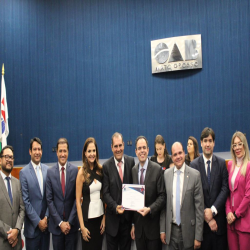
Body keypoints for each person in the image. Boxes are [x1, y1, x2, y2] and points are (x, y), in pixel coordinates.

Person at [190, 127, 229, 250]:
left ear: (214, 143)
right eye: (205, 141)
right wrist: (207, 218)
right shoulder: (194, 165)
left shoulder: (222, 164)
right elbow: (194, 195)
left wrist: (212, 211)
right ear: (201, 143)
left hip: (219, 226)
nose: (208, 144)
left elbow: (225, 188)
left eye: (210, 141)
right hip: (202, 229)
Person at [160, 142, 204, 250]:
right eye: (175, 154)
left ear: (184, 153)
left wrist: (198, 236)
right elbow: (164, 205)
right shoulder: (166, 175)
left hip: (189, 232)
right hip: (171, 231)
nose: (178, 157)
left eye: (180, 153)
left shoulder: (195, 175)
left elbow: (199, 208)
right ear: (171, 157)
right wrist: (162, 230)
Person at [131, 136, 165, 250]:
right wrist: (133, 225)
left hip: (153, 230)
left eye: (144, 148)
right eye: (139, 148)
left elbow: (162, 197)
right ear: (135, 151)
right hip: (139, 231)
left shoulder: (157, 169)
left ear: (148, 150)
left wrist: (150, 209)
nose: (142, 151)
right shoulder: (133, 170)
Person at [103, 132, 135, 250]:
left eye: (120, 145)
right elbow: (105, 193)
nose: (118, 149)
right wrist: (115, 206)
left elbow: (134, 189)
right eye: (115, 146)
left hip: (127, 223)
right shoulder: (106, 167)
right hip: (112, 224)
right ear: (111, 147)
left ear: (123, 145)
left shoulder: (131, 162)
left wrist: (133, 223)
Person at [46, 138, 79, 250]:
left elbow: (77, 198)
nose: (62, 154)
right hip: (56, 227)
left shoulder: (75, 171)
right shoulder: (50, 173)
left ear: (68, 152)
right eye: (60, 151)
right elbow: (49, 200)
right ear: (56, 152)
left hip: (72, 227)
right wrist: (60, 223)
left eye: (65, 151)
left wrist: (69, 222)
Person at [19, 137, 50, 250]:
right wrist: (38, 222)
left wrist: (46, 218)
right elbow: (25, 202)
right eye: (35, 149)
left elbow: (49, 198)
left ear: (42, 151)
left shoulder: (48, 170)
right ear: (30, 151)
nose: (37, 152)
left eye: (39, 149)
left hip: (46, 229)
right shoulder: (23, 173)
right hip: (32, 231)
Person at [76, 137, 105, 250]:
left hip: (100, 221)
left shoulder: (100, 170)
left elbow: (104, 195)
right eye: (89, 151)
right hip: (87, 222)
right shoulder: (81, 173)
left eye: (94, 151)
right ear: (85, 153)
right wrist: (82, 227)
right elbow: (78, 201)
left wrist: (104, 218)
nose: (92, 154)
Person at [225, 131, 250, 250]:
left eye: (239, 144)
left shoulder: (249, 166)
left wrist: (236, 214)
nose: (237, 148)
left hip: (244, 221)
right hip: (231, 223)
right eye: (234, 145)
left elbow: (248, 196)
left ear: (244, 145)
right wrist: (228, 212)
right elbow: (228, 193)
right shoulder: (230, 165)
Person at [0, 145, 25, 250]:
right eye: (6, 157)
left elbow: (22, 209)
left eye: (11, 157)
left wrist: (17, 230)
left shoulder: (17, 182)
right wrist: (9, 233)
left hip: (17, 243)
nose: (9, 160)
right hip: (2, 242)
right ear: (0, 160)